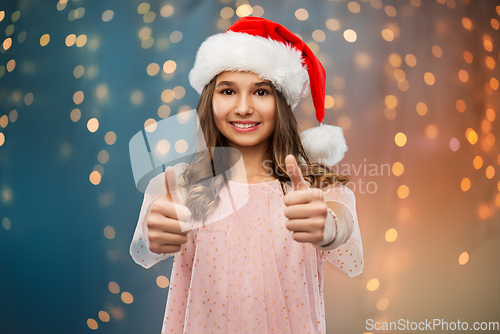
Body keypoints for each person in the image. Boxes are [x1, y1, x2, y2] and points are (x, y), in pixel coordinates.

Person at [130, 16, 364, 334]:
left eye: (261, 92)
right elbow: (142, 251)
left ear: (281, 103)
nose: (242, 108)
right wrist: (153, 233)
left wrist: (329, 226)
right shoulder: (179, 186)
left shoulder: (313, 190)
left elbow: (347, 242)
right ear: (209, 100)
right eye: (227, 91)